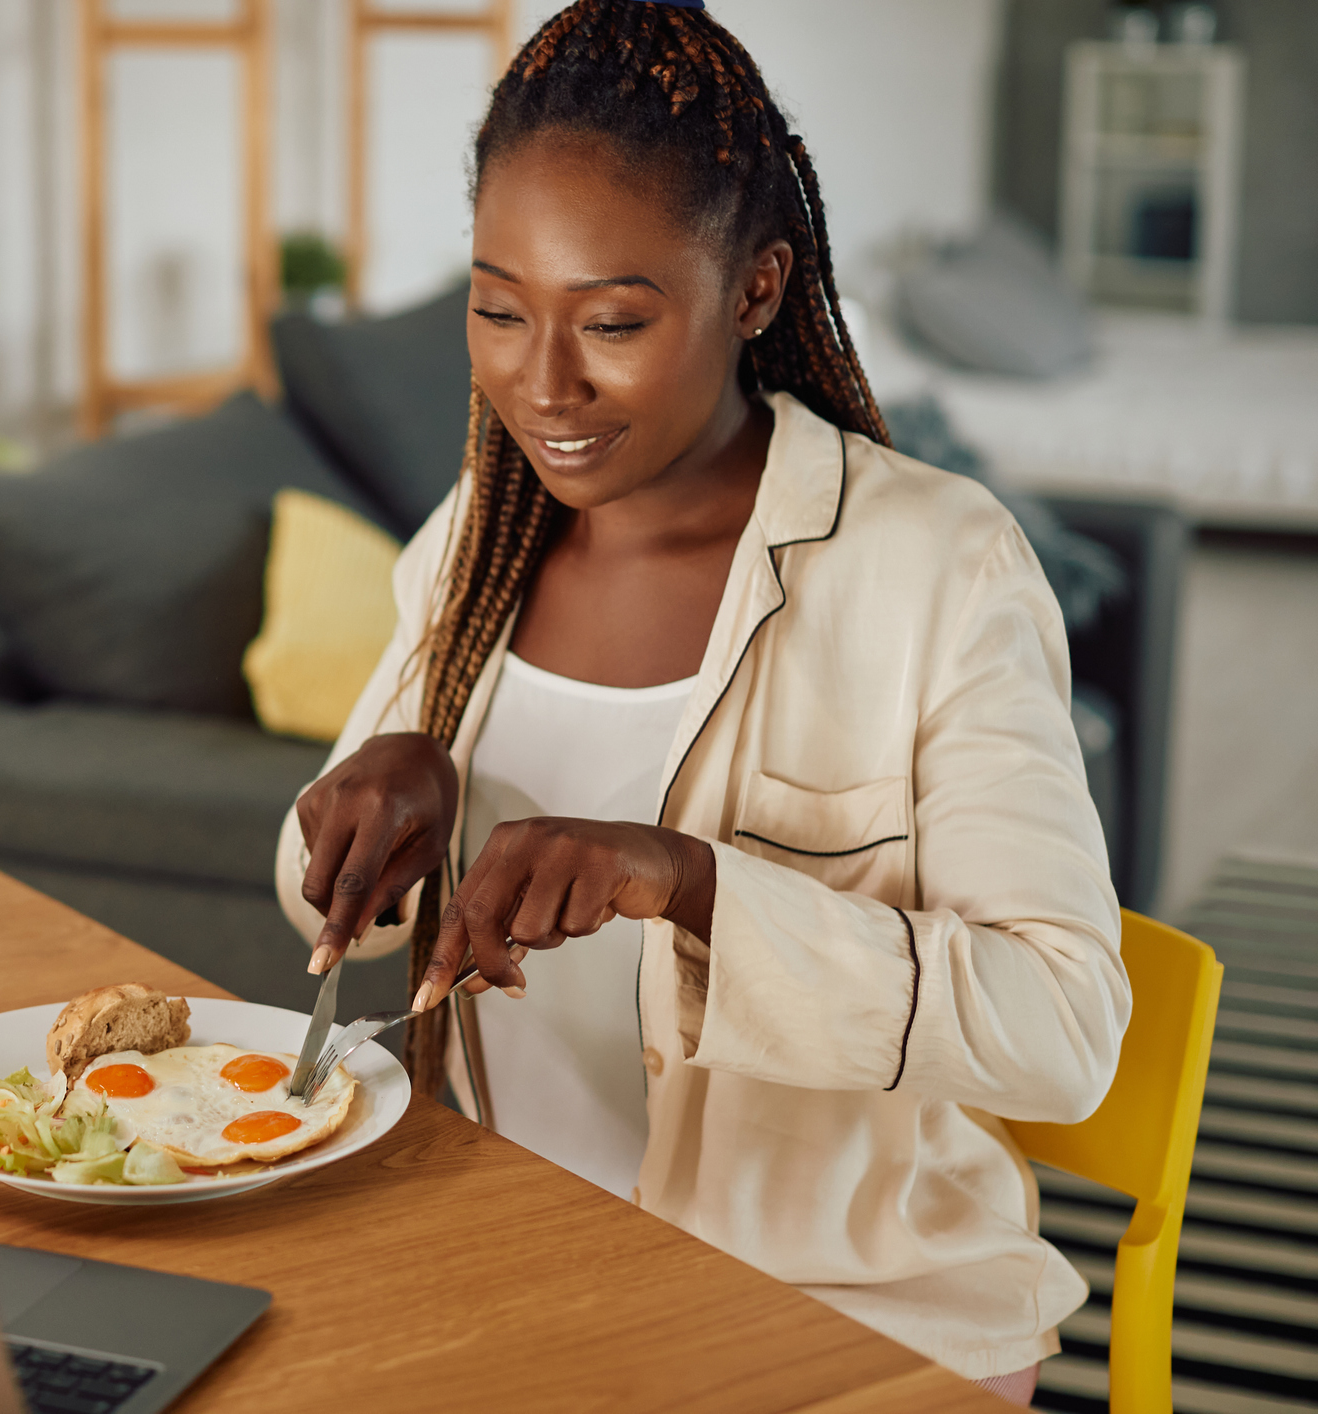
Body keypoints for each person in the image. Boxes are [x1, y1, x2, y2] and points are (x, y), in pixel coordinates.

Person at [272, 1, 1129, 1402]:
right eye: (497, 308)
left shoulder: (934, 562)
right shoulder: (480, 534)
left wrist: (682, 881)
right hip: (498, 1265)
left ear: (755, 289)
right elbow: (322, 909)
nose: (542, 385)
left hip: (826, 1318)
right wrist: (380, 789)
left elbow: (1062, 1027)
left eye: (611, 320)